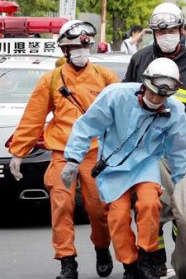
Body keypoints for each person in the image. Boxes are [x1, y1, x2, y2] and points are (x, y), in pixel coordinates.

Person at [8, 20, 119, 279]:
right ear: (64, 51)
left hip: (95, 153)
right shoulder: (50, 80)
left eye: (85, 46)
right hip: (61, 152)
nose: (81, 51)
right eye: (74, 47)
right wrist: (18, 152)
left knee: (98, 209)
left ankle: (102, 247)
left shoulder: (106, 78)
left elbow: (121, 115)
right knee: (61, 206)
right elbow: (33, 118)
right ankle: (67, 261)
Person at [62, 58, 186, 279]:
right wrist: (73, 159)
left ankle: (146, 256)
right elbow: (86, 126)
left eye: (162, 96)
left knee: (150, 204)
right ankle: (130, 265)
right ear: (144, 83)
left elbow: (180, 150)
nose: (155, 99)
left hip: (146, 164)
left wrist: (182, 185)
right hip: (113, 165)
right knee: (118, 216)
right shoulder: (116, 96)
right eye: (152, 93)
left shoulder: (174, 111)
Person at [123, 2, 186, 275]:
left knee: (182, 208)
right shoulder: (140, 60)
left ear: (180, 30)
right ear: (153, 32)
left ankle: (183, 249)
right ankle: (154, 258)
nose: (166, 35)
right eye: (160, 31)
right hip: (145, 149)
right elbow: (126, 101)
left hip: (181, 151)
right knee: (147, 205)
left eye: (172, 29)